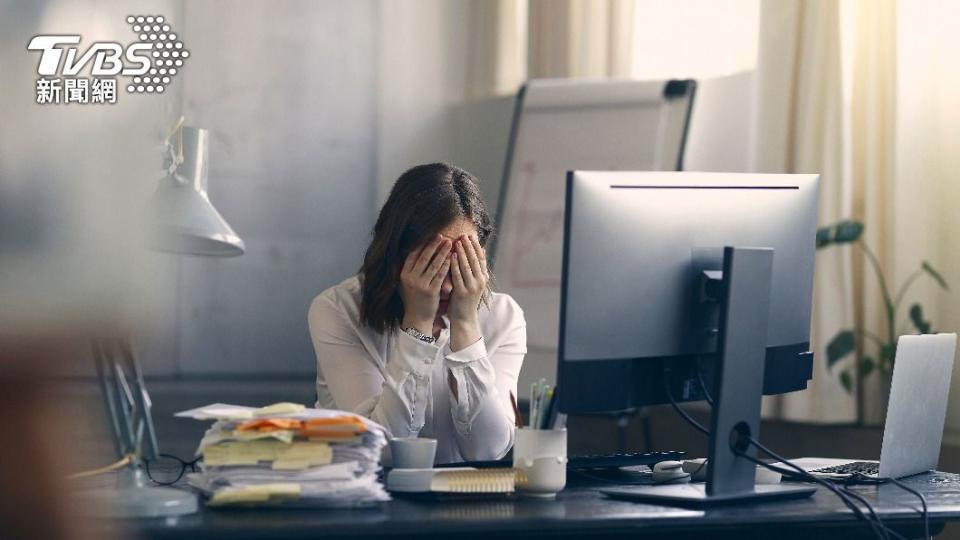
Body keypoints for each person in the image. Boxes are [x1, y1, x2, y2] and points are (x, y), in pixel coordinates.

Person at [308, 163, 526, 463]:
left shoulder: (504, 317)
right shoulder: (337, 310)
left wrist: (465, 325)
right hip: (365, 498)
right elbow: (383, 449)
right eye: (433, 264)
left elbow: (487, 450)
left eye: (462, 263)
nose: (449, 286)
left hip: (464, 505)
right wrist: (418, 325)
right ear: (395, 252)